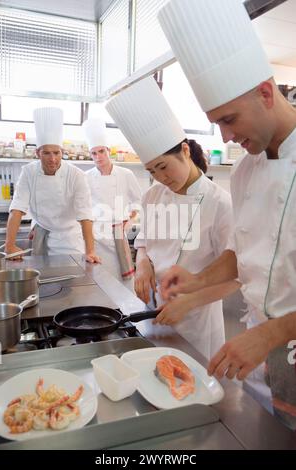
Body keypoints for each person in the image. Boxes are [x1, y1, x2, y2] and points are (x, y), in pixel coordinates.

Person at [158, 0, 296, 428]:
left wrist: (273, 334)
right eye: (216, 123)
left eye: (230, 119)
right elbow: (244, 250)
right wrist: (198, 280)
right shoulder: (244, 170)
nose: (226, 136)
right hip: (258, 347)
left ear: (266, 93)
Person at [106, 76, 233, 360]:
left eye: (163, 167)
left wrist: (189, 302)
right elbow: (145, 243)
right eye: (152, 171)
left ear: (185, 151)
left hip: (199, 321)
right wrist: (142, 266)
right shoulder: (153, 195)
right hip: (154, 310)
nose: (161, 178)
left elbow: (238, 276)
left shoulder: (220, 203)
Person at [6, 107, 100, 263]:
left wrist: (90, 251)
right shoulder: (28, 172)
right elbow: (17, 208)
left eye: (56, 153)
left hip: (69, 238)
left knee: (71, 280)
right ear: (38, 153)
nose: (53, 159)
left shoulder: (76, 175)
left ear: (61, 152)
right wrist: (10, 245)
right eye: (47, 153)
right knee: (42, 280)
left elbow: (85, 214)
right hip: (41, 235)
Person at [82, 118, 141, 285]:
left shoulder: (125, 174)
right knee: (99, 281)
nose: (98, 156)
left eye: (101, 151)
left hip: (118, 234)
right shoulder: (86, 177)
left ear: (108, 151)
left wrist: (130, 220)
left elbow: (137, 201)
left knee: (124, 282)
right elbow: (83, 207)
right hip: (96, 236)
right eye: (94, 153)